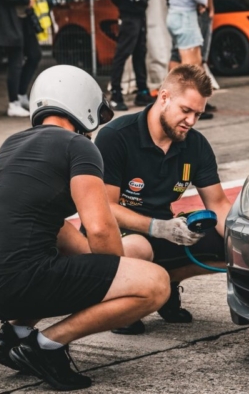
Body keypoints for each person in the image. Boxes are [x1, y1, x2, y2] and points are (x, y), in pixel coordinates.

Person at [0, 65, 170, 390]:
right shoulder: (79, 146)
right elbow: (101, 227)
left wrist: (96, 263)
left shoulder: (12, 144)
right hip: (21, 282)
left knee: (118, 250)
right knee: (156, 284)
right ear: (83, 106)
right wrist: (120, 273)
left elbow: (53, 224)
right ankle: (45, 346)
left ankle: (13, 334)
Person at [94, 64, 231, 334]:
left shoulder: (196, 144)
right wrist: (158, 227)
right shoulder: (116, 137)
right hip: (118, 232)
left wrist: (245, 244)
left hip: (166, 230)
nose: (191, 121)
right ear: (164, 97)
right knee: (140, 248)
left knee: (229, 245)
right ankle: (124, 303)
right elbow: (105, 208)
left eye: (198, 114)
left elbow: (218, 204)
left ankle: (165, 286)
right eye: (186, 110)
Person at [0, 0, 42, 117]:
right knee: (15, 60)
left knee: (34, 55)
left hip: (23, 18)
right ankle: (13, 103)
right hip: (10, 19)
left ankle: (21, 95)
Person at [168, 0, 216, 118]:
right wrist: (205, 1)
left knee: (176, 58)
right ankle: (190, 107)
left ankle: (171, 100)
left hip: (173, 14)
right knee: (193, 64)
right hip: (185, 17)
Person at [108, 0, 155, 111]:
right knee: (123, 53)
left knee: (140, 52)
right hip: (129, 14)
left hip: (140, 13)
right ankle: (116, 94)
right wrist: (127, 4)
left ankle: (142, 91)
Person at [161, 0, 208, 67]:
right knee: (191, 64)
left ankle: (172, 83)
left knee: (177, 57)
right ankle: (185, 83)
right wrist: (204, 0)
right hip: (185, 17)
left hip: (174, 14)